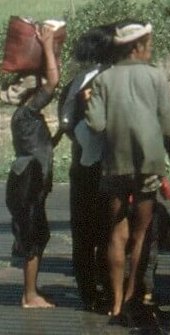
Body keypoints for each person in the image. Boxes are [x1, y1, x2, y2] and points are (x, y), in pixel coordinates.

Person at [85, 21, 170, 323]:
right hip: (147, 166)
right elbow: (169, 121)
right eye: (149, 44)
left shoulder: (104, 80)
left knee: (116, 233)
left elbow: (97, 125)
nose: (151, 49)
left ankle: (115, 302)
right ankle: (132, 300)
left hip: (114, 166)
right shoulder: (155, 76)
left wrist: (89, 104)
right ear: (138, 46)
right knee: (141, 234)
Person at [57, 23, 118, 312]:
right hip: (114, 166)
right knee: (112, 231)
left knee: (83, 233)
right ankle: (111, 290)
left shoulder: (78, 81)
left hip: (82, 165)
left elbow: (65, 121)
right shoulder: (116, 78)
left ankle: (87, 292)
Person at [5, 22, 61, 309]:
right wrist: (49, 47)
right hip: (28, 182)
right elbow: (52, 83)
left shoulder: (25, 117)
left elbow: (41, 145)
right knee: (33, 237)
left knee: (36, 234)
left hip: (27, 180)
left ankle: (31, 292)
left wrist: (62, 131)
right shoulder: (27, 112)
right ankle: (29, 296)